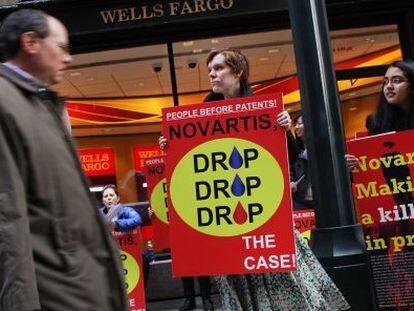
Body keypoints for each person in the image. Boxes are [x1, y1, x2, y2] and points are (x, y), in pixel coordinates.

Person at [160, 48, 349, 310]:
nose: (212, 74)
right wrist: (171, 145)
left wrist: (284, 129)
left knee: (282, 279)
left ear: (238, 72)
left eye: (218, 68)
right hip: (226, 216)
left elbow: (292, 156)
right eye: (210, 70)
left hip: (263, 213)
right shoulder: (202, 113)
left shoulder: (263, 108)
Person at [0, 9, 128, 310]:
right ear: (30, 42)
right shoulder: (7, 104)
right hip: (60, 295)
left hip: (80, 291)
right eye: (61, 47)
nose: (68, 58)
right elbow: (8, 223)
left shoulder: (38, 103)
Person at [346, 60, 414, 169]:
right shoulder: (376, 122)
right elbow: (374, 164)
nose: (389, 86)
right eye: (385, 82)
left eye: (396, 80)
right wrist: (357, 164)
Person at [290, 114, 314, 211]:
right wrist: (291, 181)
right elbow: (290, 168)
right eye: (295, 124)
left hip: (322, 199)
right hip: (301, 202)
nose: (296, 127)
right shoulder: (294, 149)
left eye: (299, 124)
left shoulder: (322, 147)